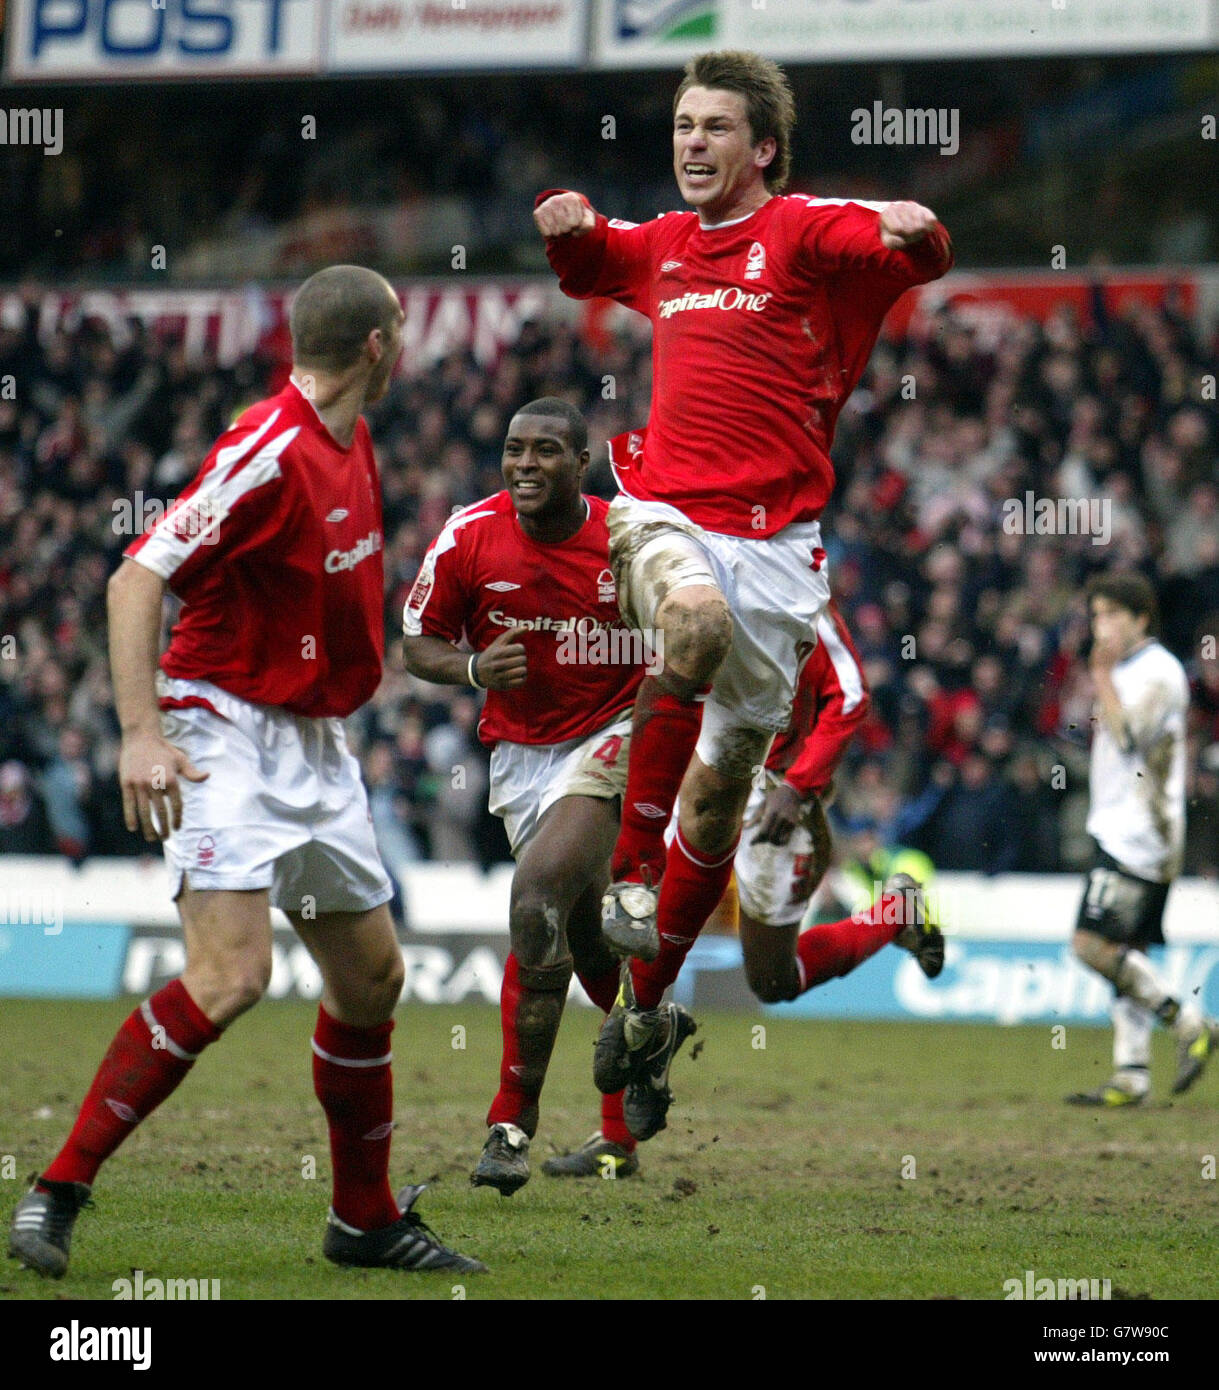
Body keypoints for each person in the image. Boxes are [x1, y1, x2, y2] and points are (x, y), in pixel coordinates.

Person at [8, 264, 485, 1278]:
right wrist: (140, 731)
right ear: (376, 345)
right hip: (221, 728)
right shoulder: (268, 446)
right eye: (401, 331)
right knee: (234, 976)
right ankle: (57, 1187)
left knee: (372, 979)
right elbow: (135, 577)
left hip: (312, 741)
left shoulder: (352, 440)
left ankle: (361, 1219)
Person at [533, 48, 953, 1108]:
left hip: (777, 549)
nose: (691, 144)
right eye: (681, 126)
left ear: (761, 148)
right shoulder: (668, 246)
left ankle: (643, 1010)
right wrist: (569, 226)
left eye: (714, 128)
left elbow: (909, 247)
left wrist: (915, 226)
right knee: (690, 621)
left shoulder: (802, 230)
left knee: (716, 804)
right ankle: (629, 873)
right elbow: (595, 264)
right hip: (666, 512)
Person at [547, 601, 943, 1174]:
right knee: (627, 940)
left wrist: (801, 786)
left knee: (773, 979)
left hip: (773, 805)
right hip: (684, 772)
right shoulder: (683, 576)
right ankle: (616, 1139)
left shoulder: (803, 597)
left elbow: (851, 698)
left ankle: (893, 912)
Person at [402, 398, 660, 1194]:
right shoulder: (469, 534)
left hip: (614, 734)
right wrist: (474, 670)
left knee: (535, 892)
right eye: (514, 450)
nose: (523, 465)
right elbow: (417, 641)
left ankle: (509, 1122)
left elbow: (682, 643)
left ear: (579, 464)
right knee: (582, 944)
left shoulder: (630, 539)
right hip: (519, 756)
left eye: (545, 451)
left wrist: (657, 745)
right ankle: (646, 1036)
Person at [1067, 573, 1216, 1106]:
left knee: (1090, 946)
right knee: (1127, 951)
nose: (1100, 627)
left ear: (1141, 619)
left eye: (1111, 615)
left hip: (1140, 834)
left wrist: (1100, 676)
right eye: (1095, 616)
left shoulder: (1160, 673)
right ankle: (1131, 1072)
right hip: (1124, 825)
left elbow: (1130, 737)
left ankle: (1189, 1022)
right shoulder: (1133, 670)